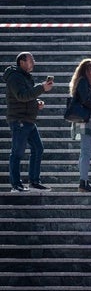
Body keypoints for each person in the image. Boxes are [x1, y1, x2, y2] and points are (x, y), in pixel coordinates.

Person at [4, 52, 54, 192]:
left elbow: (27, 96)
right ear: (22, 62)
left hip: (28, 119)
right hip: (19, 119)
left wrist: (36, 102)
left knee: (38, 148)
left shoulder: (25, 77)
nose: (34, 62)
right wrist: (42, 88)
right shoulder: (14, 77)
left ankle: (34, 182)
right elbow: (21, 96)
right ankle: (16, 184)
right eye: (31, 60)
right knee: (17, 152)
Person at [69, 58, 91, 193]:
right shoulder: (83, 82)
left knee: (85, 153)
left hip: (90, 120)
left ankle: (83, 182)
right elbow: (86, 101)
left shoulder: (89, 84)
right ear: (85, 70)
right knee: (86, 153)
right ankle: (83, 183)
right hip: (86, 121)